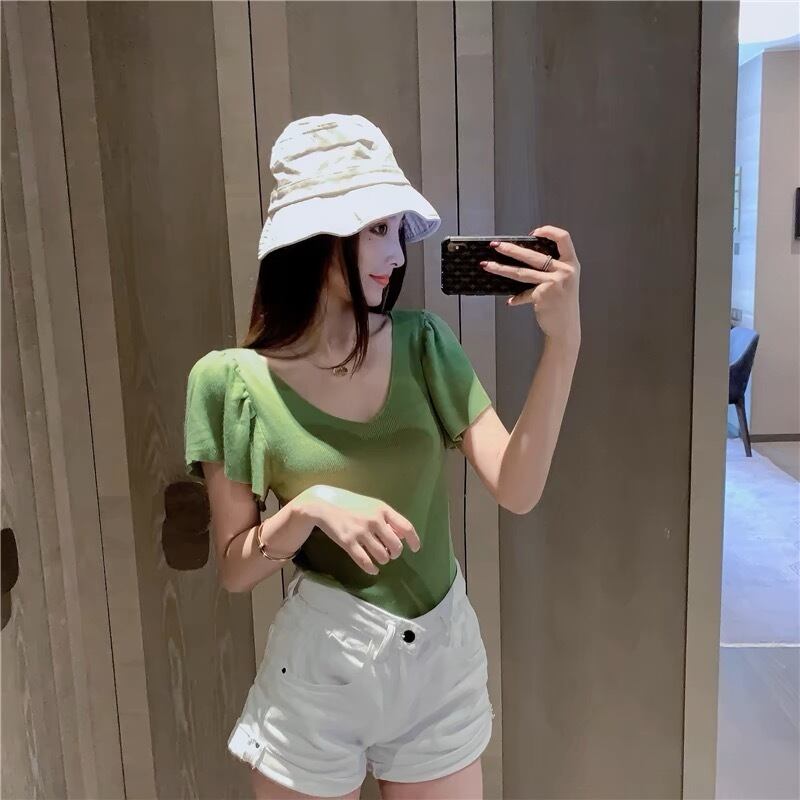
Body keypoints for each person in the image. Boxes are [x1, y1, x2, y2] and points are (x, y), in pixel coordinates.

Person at [183, 113, 581, 800]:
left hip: (440, 664)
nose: (396, 254)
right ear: (313, 234)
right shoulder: (229, 382)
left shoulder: (425, 344)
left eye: (397, 230)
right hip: (321, 672)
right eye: (375, 228)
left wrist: (564, 342)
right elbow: (235, 569)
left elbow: (517, 488)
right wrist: (310, 508)